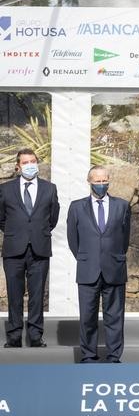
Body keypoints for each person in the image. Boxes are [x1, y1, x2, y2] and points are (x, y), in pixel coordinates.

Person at [67, 165, 131, 363]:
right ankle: (88, 355)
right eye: (97, 181)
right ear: (89, 182)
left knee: (115, 317)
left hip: (114, 268)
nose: (102, 184)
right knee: (87, 316)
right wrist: (86, 257)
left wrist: (114, 256)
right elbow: (72, 239)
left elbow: (125, 237)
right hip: (88, 269)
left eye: (105, 181)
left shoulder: (122, 206)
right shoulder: (77, 207)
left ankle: (114, 356)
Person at [0, 149, 59, 348]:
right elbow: (1, 219)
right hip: (13, 249)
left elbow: (53, 218)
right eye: (25, 162)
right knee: (14, 295)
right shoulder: (5, 189)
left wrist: (36, 232)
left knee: (37, 294)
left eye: (33, 161)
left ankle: (35, 336)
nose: (30, 165)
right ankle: (14, 336)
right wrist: (17, 232)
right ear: (18, 166)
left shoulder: (49, 189)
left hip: (39, 249)